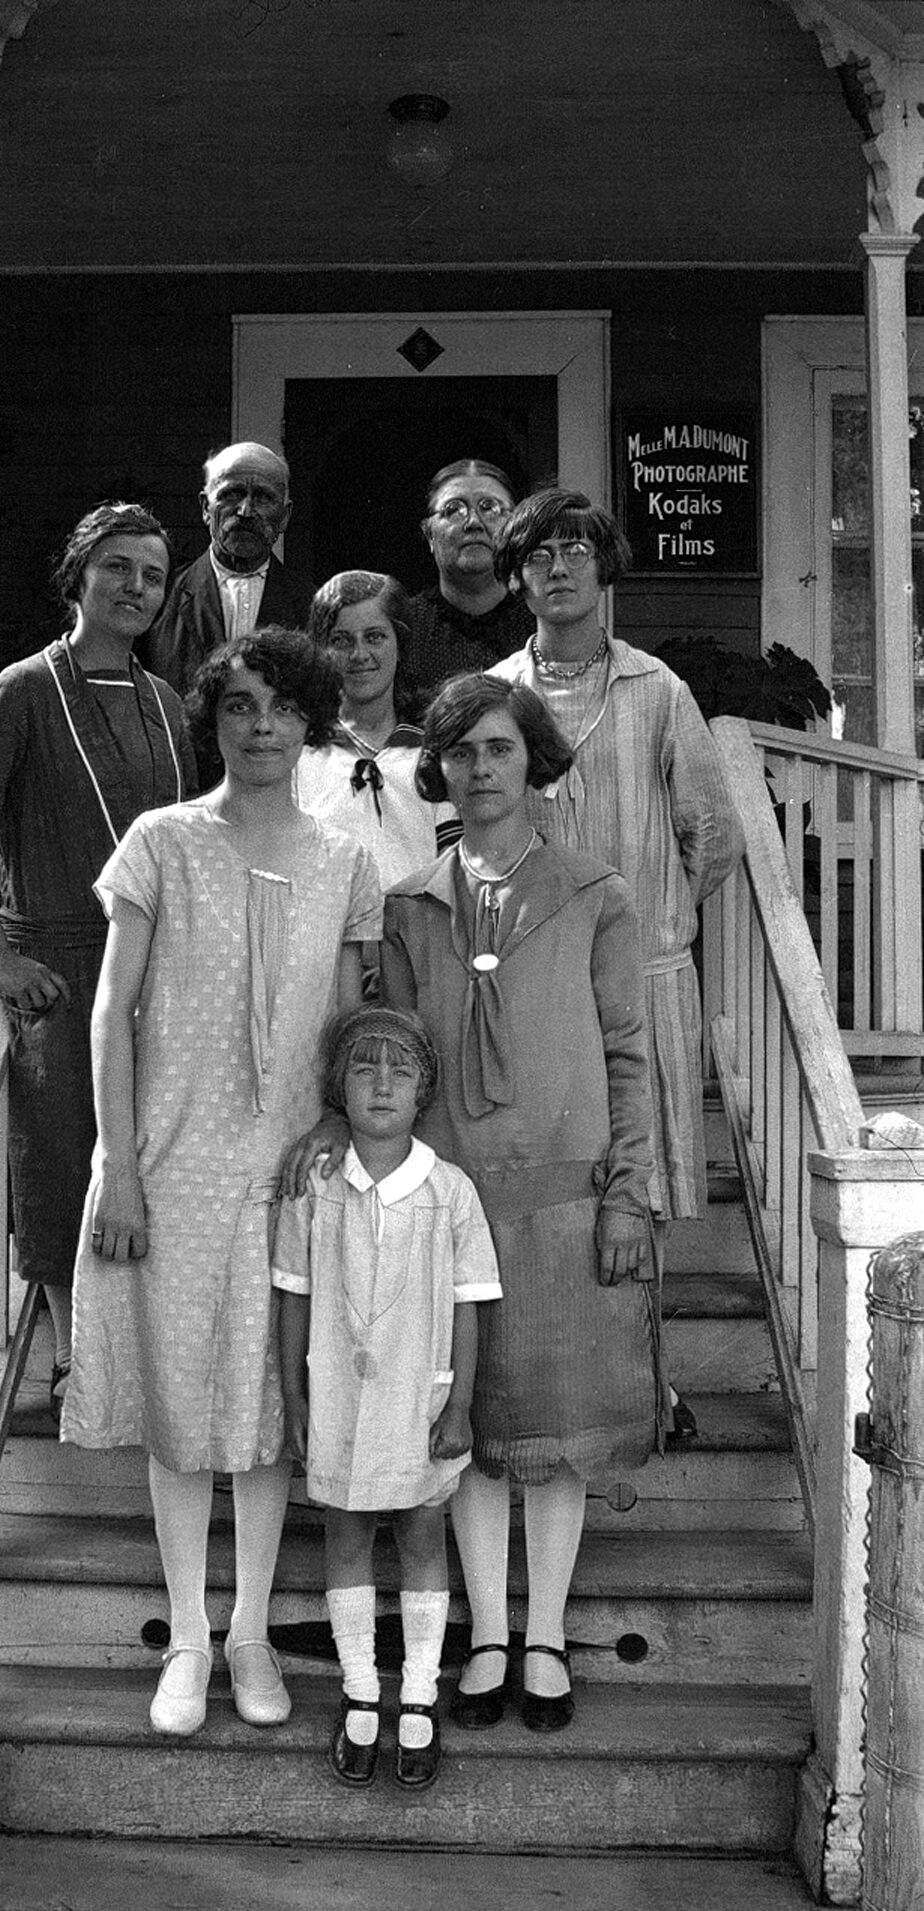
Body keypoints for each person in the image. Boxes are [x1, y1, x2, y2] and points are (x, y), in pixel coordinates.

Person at [60, 627, 382, 1741]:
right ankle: (188, 1638)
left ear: (311, 726)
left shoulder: (342, 858)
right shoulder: (159, 841)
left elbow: (347, 1024)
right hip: (171, 1162)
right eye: (239, 706)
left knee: (262, 1400)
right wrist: (117, 1167)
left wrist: (342, 1132)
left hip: (288, 1169)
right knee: (180, 1400)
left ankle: (249, 1629)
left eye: (280, 709)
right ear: (216, 720)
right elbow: (112, 1010)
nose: (258, 727)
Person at [380, 674, 658, 1733]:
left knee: (553, 1428)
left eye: (498, 748)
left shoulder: (596, 894)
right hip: (451, 1205)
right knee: (470, 1423)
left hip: (568, 1202)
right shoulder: (413, 904)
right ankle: (486, 1633)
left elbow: (628, 1057)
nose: (480, 768)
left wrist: (628, 1196)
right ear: (439, 767)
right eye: (460, 752)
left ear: (530, 761)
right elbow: (398, 1061)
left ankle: (544, 1633)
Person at [489, 488, 744, 1439]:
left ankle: (651, 1382)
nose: (559, 567)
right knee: (559, 1185)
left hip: (646, 981)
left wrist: (645, 919)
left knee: (649, 1188)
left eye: (577, 550)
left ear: (605, 568)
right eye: (540, 554)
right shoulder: (499, 693)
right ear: (518, 578)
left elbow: (711, 835)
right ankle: (571, 1382)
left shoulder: (658, 691)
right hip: (538, 984)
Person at [0, 501, 196, 1418]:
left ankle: (140, 1345)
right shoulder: (22, 690)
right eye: (117, 567)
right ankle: (71, 1349)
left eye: (153, 575)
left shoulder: (166, 704)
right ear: (78, 575)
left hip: (155, 967)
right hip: (57, 961)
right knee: (62, 1154)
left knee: (151, 1154)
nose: (136, 588)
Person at [274, 1007, 502, 1791]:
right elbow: (294, 1295)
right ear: (339, 1086)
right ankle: (360, 1688)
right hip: (338, 1390)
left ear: (423, 1090)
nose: (381, 1084)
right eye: (365, 1069)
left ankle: (418, 1693)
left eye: (399, 1071)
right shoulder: (314, 1186)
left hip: (421, 1396)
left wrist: (461, 1402)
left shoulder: (449, 1190)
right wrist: (297, 1395)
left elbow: (472, 1300)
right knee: (343, 1533)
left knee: (419, 1534)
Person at [298, 570, 458, 894]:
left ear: (400, 645)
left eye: (374, 637)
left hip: (420, 936)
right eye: (341, 641)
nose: (359, 655)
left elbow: (458, 869)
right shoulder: (298, 754)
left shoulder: (436, 752)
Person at [138, 442, 311, 702]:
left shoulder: (311, 607)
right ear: (206, 508)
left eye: (264, 497)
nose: (245, 512)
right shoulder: (160, 600)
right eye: (231, 494)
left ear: (284, 517)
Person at [407, 459, 533, 694]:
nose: (474, 523)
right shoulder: (404, 628)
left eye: (490, 508)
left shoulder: (540, 622)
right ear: (429, 535)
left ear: (514, 529)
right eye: (453, 510)